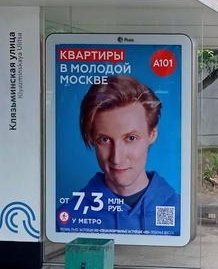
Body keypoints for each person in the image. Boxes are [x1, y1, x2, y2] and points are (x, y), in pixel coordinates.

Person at [62, 76, 179, 234]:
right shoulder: (65, 219)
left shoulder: (180, 213)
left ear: (152, 134)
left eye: (131, 138)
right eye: (105, 140)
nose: (116, 159)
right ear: (92, 139)